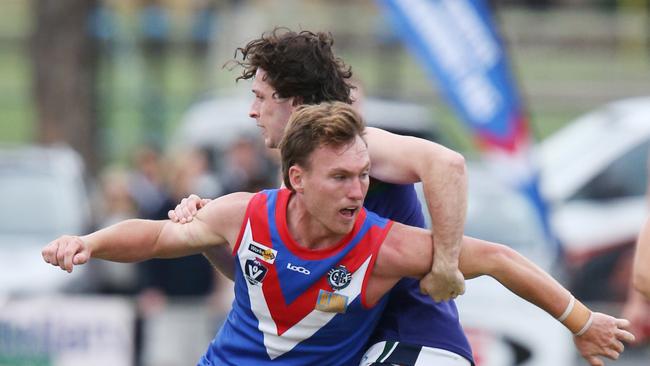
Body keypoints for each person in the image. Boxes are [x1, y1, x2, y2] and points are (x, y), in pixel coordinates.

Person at [43, 102, 633, 365]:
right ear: (296, 178)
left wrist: (583, 321)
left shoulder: (384, 247)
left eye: (363, 176)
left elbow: (499, 258)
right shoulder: (244, 213)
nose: (358, 191)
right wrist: (89, 243)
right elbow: (153, 238)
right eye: (341, 178)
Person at [168, 28, 623, 366]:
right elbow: (261, 281)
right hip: (372, 343)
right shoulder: (300, 173)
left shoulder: (356, 146)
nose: (252, 109)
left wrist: (444, 264)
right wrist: (209, 236)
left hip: (415, 336)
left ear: (297, 102)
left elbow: (448, 166)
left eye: (261, 96)